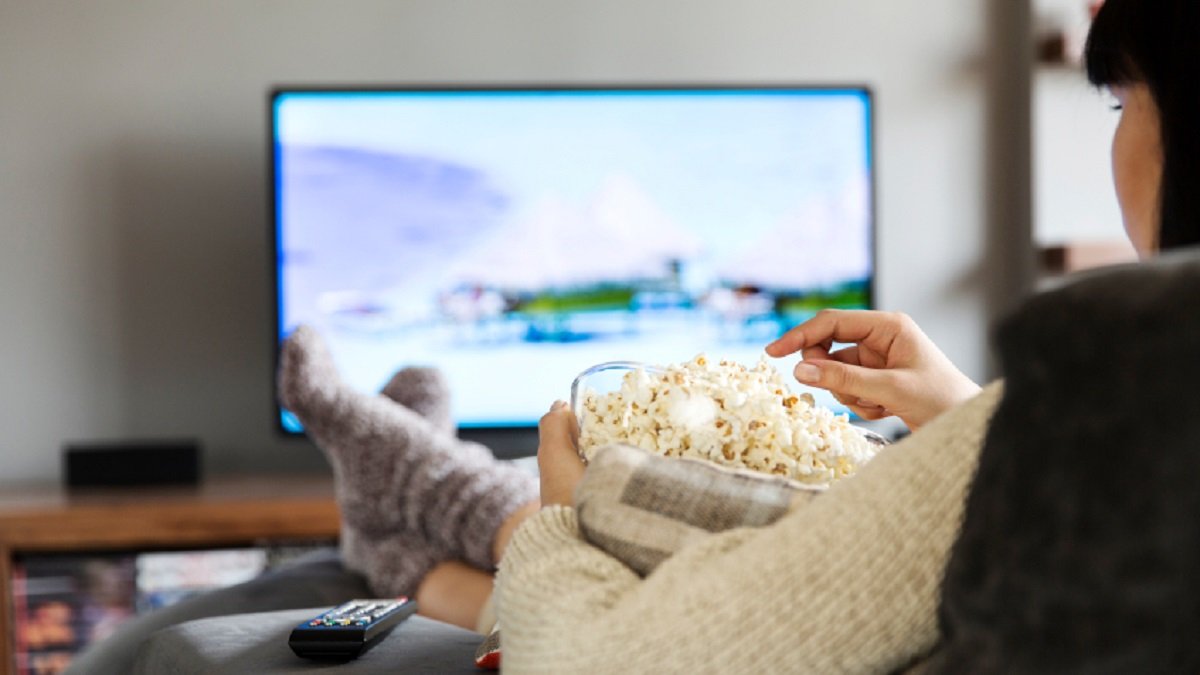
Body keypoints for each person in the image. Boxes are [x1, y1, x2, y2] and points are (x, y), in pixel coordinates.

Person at [278, 0, 1200, 669]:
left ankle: (403, 480)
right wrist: (970, 418)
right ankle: (403, 545)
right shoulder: (1125, 417)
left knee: (607, 507)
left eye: (1122, 103)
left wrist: (559, 518)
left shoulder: (1113, 391)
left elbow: (583, 659)